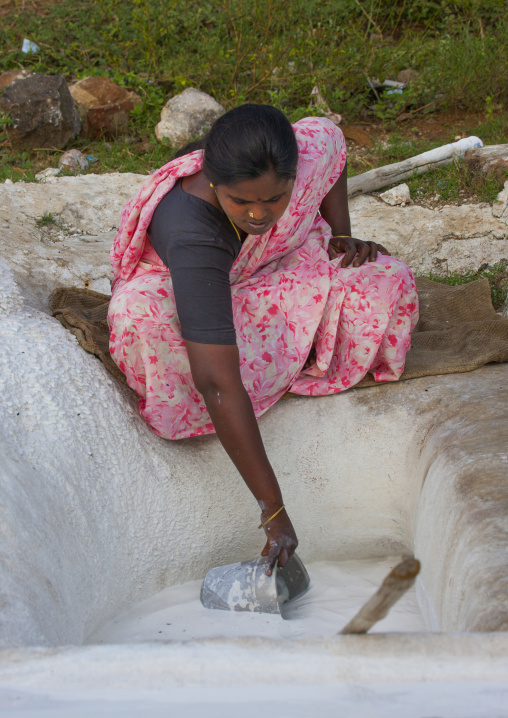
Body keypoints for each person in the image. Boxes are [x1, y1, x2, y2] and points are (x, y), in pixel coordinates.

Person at [108, 104, 418, 576]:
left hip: (269, 270)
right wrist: (273, 511)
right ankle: (288, 353)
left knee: (385, 282)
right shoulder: (195, 234)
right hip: (185, 291)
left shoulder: (305, 154)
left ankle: (289, 347)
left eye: (275, 199)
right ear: (213, 182)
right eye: (241, 201)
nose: (258, 213)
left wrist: (341, 236)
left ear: (293, 176)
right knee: (142, 321)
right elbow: (214, 381)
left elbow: (330, 145)